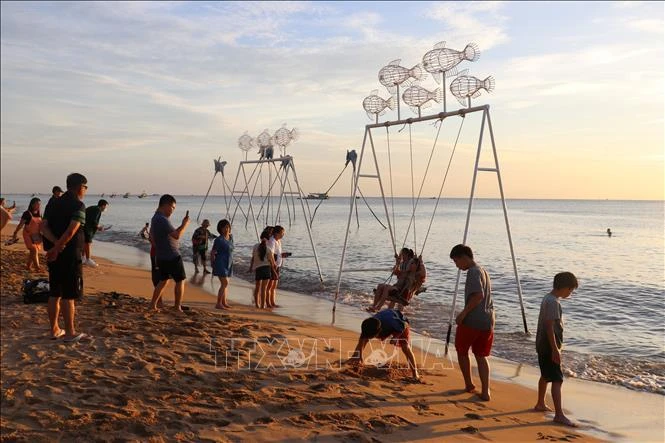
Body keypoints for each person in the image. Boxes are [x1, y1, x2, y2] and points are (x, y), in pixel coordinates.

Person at [40, 173, 90, 342]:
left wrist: (54, 246)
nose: (85, 191)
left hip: (54, 255)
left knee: (55, 293)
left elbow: (43, 227)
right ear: (79, 187)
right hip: (69, 255)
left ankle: (54, 329)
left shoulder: (52, 203)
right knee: (69, 295)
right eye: (85, 187)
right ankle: (70, 332)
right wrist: (59, 246)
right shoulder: (78, 205)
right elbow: (71, 230)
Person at [534, 272, 579, 427]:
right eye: (570, 291)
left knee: (545, 375)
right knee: (557, 379)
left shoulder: (547, 298)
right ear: (565, 288)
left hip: (541, 344)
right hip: (548, 345)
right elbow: (549, 326)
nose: (570, 294)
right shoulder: (554, 302)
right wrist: (555, 349)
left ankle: (540, 403)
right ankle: (559, 414)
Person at [450, 244, 494, 401]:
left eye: (456, 261)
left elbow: (478, 296)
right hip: (487, 319)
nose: (456, 265)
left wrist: (463, 313)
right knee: (481, 355)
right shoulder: (483, 271)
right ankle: (485, 390)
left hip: (473, 320)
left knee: (462, 351)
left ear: (464, 257)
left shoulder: (473, 272)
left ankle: (469, 383)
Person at [347, 309, 420, 381]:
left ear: (379, 332)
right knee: (364, 338)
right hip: (387, 318)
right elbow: (363, 338)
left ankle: (415, 373)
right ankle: (356, 357)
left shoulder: (392, 323)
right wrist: (358, 355)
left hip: (401, 323)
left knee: (405, 347)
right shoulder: (370, 323)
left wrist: (395, 337)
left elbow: (405, 324)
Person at [148, 194, 190, 312]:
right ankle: (177, 307)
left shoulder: (155, 218)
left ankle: (153, 305)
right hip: (171, 255)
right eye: (172, 207)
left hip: (161, 255)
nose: (172, 211)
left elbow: (162, 235)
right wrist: (185, 224)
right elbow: (176, 235)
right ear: (166, 205)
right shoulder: (162, 219)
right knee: (180, 280)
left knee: (163, 281)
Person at [11, 197, 43, 271]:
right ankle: (37, 267)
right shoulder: (27, 213)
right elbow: (21, 224)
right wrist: (15, 232)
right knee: (34, 250)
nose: (39, 206)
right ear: (32, 205)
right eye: (37, 204)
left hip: (36, 236)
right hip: (28, 235)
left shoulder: (39, 213)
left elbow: (42, 225)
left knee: (33, 251)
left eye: (39, 205)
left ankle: (28, 266)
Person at [248, 227, 277, 309]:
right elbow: (273, 263)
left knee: (257, 288)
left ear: (260, 238)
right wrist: (274, 272)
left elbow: (253, 258)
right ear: (268, 240)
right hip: (266, 269)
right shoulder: (269, 249)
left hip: (258, 269)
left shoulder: (255, 246)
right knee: (264, 289)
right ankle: (262, 305)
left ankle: (257, 304)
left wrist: (250, 268)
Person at [210, 219, 233, 309]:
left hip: (229, 263)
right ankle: (218, 303)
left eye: (227, 227)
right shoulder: (219, 240)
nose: (226, 229)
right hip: (220, 263)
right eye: (224, 228)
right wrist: (212, 263)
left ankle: (224, 302)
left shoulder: (231, 238)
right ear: (220, 229)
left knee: (226, 284)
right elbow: (213, 252)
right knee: (225, 283)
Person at [266, 225, 289, 308]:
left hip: (277, 265)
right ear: (276, 233)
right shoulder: (272, 240)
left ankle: (273, 302)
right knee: (270, 286)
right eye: (282, 233)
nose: (283, 235)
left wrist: (282, 255)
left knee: (274, 286)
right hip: (272, 265)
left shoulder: (278, 241)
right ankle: (268, 303)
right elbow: (270, 254)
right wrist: (273, 266)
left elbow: (277, 253)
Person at [83, 199, 109, 267]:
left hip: (83, 227)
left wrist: (97, 227)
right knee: (88, 243)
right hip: (87, 228)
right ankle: (88, 259)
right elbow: (94, 221)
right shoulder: (98, 210)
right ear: (103, 205)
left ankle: (83, 258)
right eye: (106, 206)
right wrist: (99, 227)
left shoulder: (92, 207)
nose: (106, 208)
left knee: (84, 243)